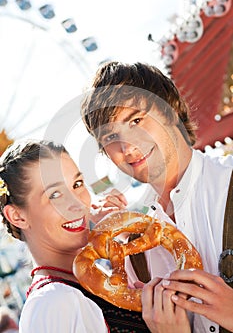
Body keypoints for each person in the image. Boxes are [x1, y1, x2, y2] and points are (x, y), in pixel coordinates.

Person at [81, 61, 233, 332]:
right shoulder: (134, 255)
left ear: (171, 109)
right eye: (111, 136)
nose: (128, 148)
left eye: (136, 120)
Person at [0, 139, 188, 333]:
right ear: (17, 216)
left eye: (77, 184)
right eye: (55, 195)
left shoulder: (93, 282)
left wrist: (124, 235)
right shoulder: (54, 302)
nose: (78, 203)